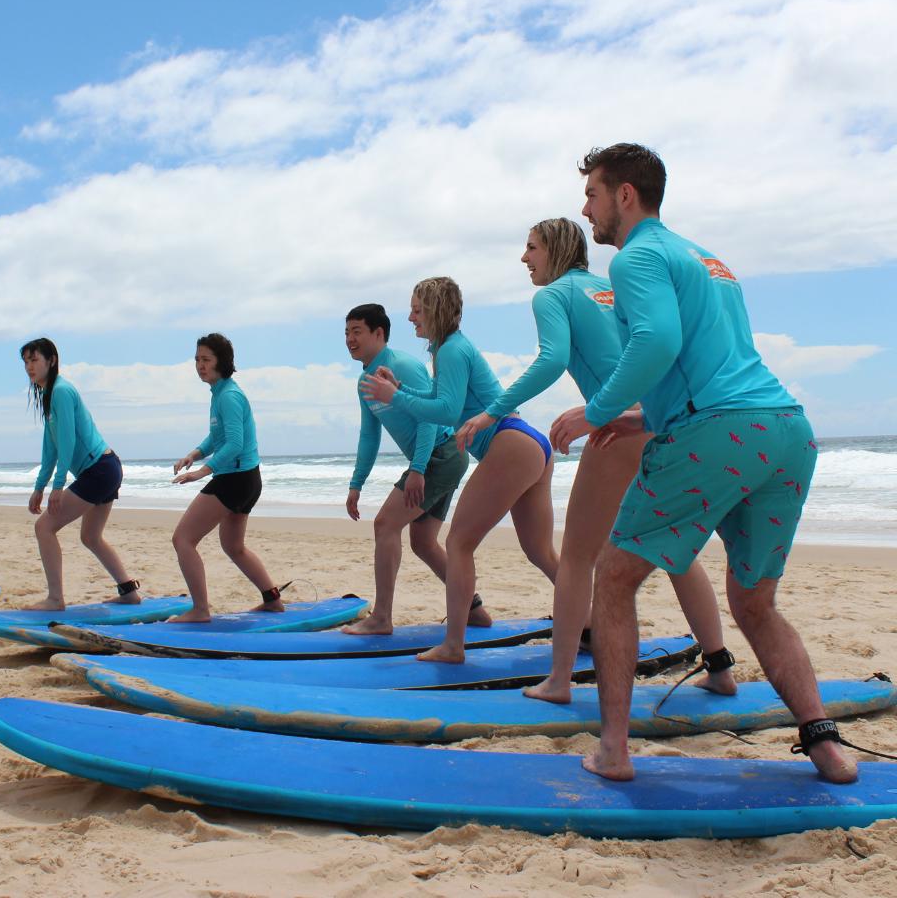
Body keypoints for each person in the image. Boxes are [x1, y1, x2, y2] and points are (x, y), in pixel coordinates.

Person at [549, 142, 855, 784]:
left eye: (593, 194)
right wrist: (645, 418)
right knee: (754, 603)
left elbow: (659, 342)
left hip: (716, 434)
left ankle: (613, 751)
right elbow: (714, 360)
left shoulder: (636, 257)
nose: (587, 209)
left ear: (624, 196)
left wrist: (598, 411)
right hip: (784, 431)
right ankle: (827, 746)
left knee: (614, 575)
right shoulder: (708, 259)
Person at [455, 220, 734, 703]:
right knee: (676, 552)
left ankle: (560, 681)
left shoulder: (553, 295)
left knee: (578, 557)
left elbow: (550, 360)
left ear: (556, 250)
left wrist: (490, 412)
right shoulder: (609, 288)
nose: (525, 259)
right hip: (659, 421)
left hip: (615, 431)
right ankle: (720, 666)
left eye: (531, 248)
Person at [361, 277, 557, 663]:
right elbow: (440, 399)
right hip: (531, 445)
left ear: (434, 309)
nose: (411, 316)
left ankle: (453, 646)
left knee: (458, 544)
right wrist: (401, 389)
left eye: (417, 309)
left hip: (509, 443)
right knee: (541, 553)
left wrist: (394, 396)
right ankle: (589, 623)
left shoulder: (450, 350)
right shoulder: (450, 348)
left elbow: (447, 414)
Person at [340, 303, 484, 636]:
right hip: (436, 458)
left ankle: (382, 617)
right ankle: (474, 610)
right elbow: (369, 435)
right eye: (346, 332)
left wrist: (418, 468)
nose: (350, 339)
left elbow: (429, 417)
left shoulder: (403, 365)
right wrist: (356, 483)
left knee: (385, 524)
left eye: (357, 331)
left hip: (440, 454)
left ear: (379, 333)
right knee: (422, 541)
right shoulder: (365, 382)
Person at [169, 333, 284, 622]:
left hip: (234, 479)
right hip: (247, 479)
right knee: (233, 546)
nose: (200, 365)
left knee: (183, 539)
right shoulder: (221, 393)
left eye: (206, 359)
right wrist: (193, 455)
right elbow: (217, 436)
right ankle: (272, 599)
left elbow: (234, 443)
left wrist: (203, 472)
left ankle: (200, 609)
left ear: (222, 362)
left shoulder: (229, 396)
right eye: (197, 359)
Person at [21, 338, 140, 611]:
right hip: (105, 468)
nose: (29, 366)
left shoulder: (61, 391)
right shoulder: (49, 395)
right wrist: (40, 486)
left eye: (34, 359)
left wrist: (58, 486)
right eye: (26, 361)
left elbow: (67, 442)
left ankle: (55, 598)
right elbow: (50, 446)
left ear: (51, 361)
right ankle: (128, 591)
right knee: (91, 537)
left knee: (44, 527)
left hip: (99, 469)